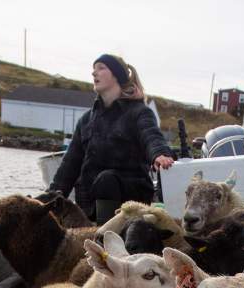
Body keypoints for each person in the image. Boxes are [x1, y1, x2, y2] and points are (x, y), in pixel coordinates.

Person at [50, 54, 175, 224]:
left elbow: (151, 135)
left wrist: (159, 153)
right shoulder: (86, 120)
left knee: (106, 179)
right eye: (93, 70)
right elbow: (68, 167)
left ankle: (107, 238)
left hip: (131, 200)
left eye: (101, 68)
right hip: (89, 203)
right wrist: (50, 197)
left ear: (117, 75)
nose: (94, 73)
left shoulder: (139, 112)